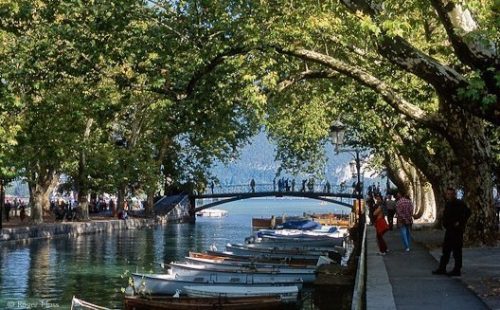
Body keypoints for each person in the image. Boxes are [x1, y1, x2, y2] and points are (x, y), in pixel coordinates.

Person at [432, 187, 471, 276]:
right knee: (446, 250)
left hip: (457, 231)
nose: (449, 196)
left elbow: (468, 212)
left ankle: (457, 269)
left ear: (454, 195)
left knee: (457, 251)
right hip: (449, 230)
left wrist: (460, 222)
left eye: (451, 194)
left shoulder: (460, 204)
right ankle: (442, 268)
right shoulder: (448, 204)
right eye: (448, 194)